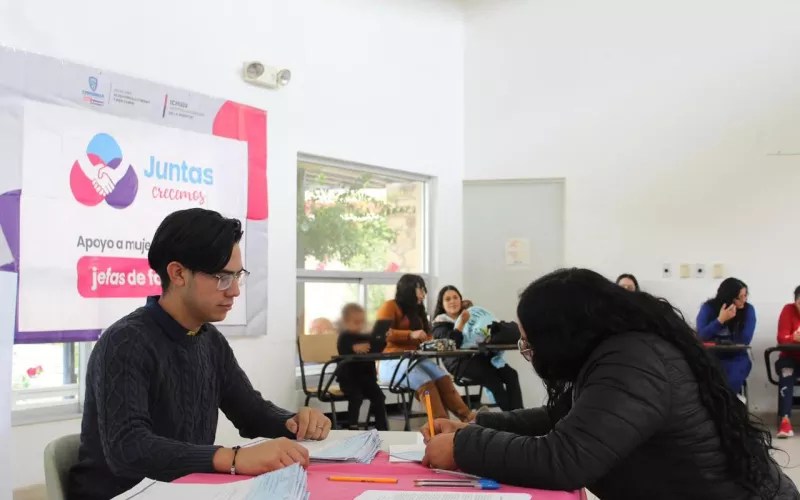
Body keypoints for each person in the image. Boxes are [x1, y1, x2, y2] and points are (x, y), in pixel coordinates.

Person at [421, 268, 799, 499]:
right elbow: (571, 419)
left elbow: (564, 458)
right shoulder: (619, 352)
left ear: (561, 336)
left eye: (530, 342)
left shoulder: (634, 362)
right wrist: (478, 424)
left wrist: (463, 447)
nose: (529, 352)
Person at [68, 209, 331, 500]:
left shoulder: (209, 339)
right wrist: (233, 458)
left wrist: (293, 422)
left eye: (237, 276)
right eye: (222, 277)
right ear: (178, 273)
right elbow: (129, 449)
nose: (234, 291)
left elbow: (250, 412)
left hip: (184, 490)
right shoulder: (125, 341)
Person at [376, 274, 475, 422]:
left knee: (443, 377)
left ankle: (468, 418)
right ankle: (441, 424)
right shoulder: (390, 306)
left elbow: (427, 336)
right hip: (390, 361)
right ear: (409, 289)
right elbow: (381, 333)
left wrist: (432, 342)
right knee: (425, 382)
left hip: (414, 359)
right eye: (421, 290)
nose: (423, 294)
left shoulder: (418, 312)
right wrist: (410, 334)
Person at [432, 285, 523, 411]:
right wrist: (461, 323)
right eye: (447, 299)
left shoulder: (471, 315)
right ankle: (512, 417)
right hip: (459, 362)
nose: (452, 301)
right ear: (442, 304)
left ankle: (520, 413)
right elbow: (452, 344)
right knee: (493, 379)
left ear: (460, 299)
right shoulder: (439, 324)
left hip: (480, 357)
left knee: (511, 375)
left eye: (455, 297)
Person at [696, 278, 756, 394]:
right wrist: (720, 320)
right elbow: (701, 336)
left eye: (745, 295)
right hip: (711, 356)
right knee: (705, 378)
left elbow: (745, 340)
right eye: (739, 297)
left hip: (737, 358)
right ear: (729, 298)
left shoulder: (748, 310)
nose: (744, 300)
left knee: (731, 378)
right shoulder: (708, 308)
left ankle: (730, 402)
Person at [336, 303, 389, 431]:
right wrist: (353, 348)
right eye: (356, 322)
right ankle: (353, 425)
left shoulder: (366, 337)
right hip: (350, 380)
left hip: (367, 379)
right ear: (346, 322)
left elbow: (375, 348)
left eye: (362, 322)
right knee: (356, 396)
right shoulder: (344, 337)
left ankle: (382, 427)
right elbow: (344, 349)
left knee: (379, 397)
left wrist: (382, 339)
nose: (360, 325)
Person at [776, 286, 800, 438]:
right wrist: (793, 338)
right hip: (789, 359)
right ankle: (785, 421)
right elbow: (781, 338)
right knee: (786, 372)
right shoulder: (788, 310)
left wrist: (792, 338)